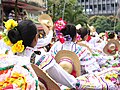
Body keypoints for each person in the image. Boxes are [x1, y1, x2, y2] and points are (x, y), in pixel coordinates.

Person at [3, 19, 79, 89]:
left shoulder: (9, 56)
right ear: (36, 38)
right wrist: (81, 83)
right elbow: (68, 80)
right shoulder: (41, 59)